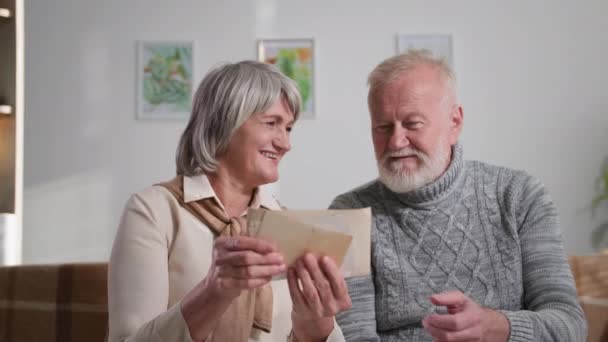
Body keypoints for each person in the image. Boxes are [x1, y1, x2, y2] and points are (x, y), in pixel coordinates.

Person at [330, 50, 587, 341]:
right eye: (383, 127)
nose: (396, 141)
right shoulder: (349, 213)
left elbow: (569, 326)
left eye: (412, 124)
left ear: (455, 122)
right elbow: (356, 337)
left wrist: (494, 326)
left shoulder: (518, 196)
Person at [108, 61, 351, 342]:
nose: (285, 144)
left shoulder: (287, 225)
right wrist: (214, 292)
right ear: (225, 123)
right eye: (272, 123)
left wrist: (316, 325)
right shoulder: (153, 211)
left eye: (288, 128)